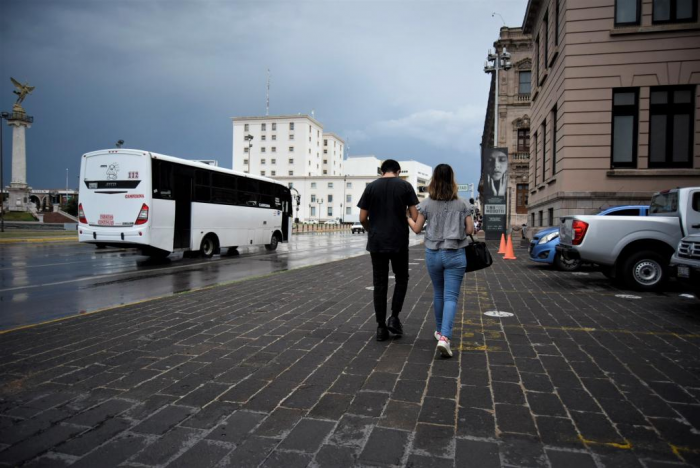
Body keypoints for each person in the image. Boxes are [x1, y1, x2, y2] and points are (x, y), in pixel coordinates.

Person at [408, 164, 474, 357]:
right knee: (451, 296)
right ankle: (445, 337)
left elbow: (417, 228)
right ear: (452, 180)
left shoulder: (427, 204)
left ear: (434, 180)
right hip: (455, 253)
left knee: (438, 293)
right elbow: (470, 230)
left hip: (433, 254)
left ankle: (439, 331)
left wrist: (407, 218)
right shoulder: (462, 204)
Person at [358, 159, 420, 341]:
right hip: (399, 240)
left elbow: (362, 218)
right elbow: (415, 215)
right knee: (401, 278)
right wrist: (403, 214)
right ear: (398, 171)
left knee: (380, 283)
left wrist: (371, 230)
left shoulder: (371, 187)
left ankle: (380, 327)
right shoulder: (405, 186)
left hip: (377, 242)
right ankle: (394, 317)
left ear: (381, 171)